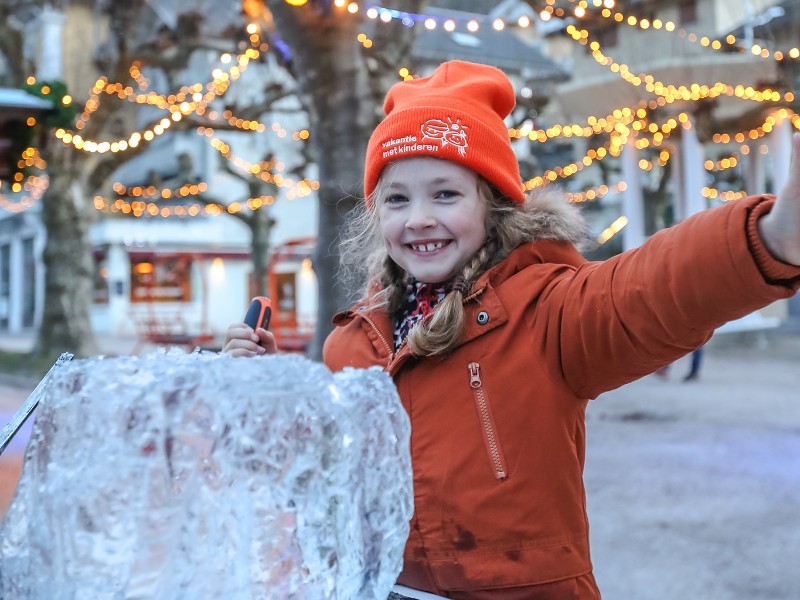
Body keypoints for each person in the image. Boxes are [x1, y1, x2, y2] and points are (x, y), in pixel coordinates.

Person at [223, 60, 800, 599]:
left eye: (445, 194)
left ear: (494, 205)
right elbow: (321, 472)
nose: (419, 217)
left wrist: (772, 239)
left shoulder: (546, 309)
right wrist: (265, 391)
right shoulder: (351, 342)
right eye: (397, 199)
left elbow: (645, 293)